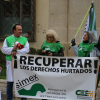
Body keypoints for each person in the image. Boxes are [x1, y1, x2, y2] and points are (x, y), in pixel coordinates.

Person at [1, 24, 29, 100]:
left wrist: (16, 51)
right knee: (10, 82)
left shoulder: (24, 39)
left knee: (22, 81)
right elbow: (3, 49)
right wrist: (12, 49)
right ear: (14, 30)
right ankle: (9, 98)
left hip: (21, 63)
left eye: (21, 29)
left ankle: (23, 98)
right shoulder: (8, 39)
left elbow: (26, 50)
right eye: (19, 30)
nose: (21, 31)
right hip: (11, 62)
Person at [71, 31, 100, 100]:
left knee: (91, 88)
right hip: (82, 69)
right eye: (84, 35)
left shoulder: (94, 47)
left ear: (89, 37)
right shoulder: (81, 44)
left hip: (92, 71)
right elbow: (77, 54)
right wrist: (73, 45)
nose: (83, 37)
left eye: (85, 35)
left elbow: (98, 55)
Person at [39, 29, 65, 100]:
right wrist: (43, 52)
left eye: (50, 37)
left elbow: (61, 55)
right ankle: (44, 98)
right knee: (45, 82)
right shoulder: (44, 43)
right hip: (45, 66)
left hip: (54, 66)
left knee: (53, 83)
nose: (49, 39)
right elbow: (39, 53)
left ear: (54, 37)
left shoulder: (58, 44)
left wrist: (52, 54)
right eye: (48, 37)